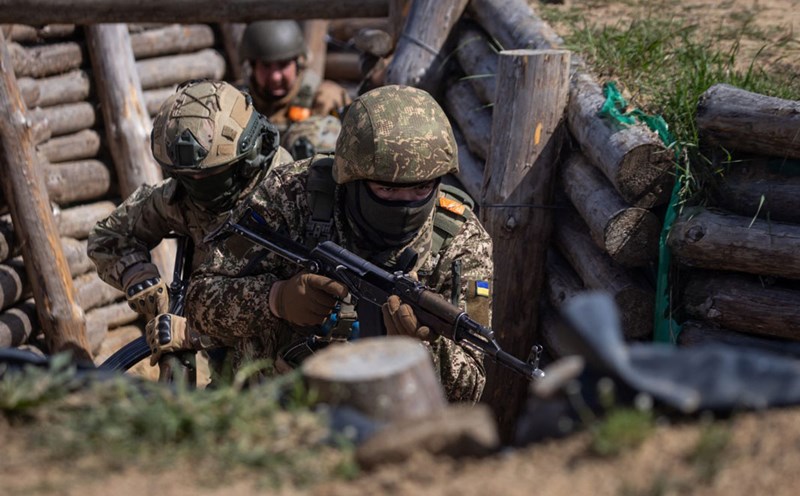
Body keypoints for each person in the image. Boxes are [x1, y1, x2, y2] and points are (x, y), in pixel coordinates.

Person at [152, 85, 493, 403]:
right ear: (352, 177)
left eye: (421, 189)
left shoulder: (462, 242)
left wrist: (423, 351)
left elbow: (469, 387)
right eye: (387, 190)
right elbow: (200, 301)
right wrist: (275, 299)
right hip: (277, 414)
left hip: (394, 424)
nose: (405, 202)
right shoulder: (291, 196)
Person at [87, 79, 293, 330]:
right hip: (219, 355)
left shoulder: (293, 195)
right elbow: (108, 235)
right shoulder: (179, 198)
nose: (198, 186)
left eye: (211, 176)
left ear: (249, 157)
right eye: (188, 177)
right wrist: (135, 274)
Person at [238, 20, 351, 159]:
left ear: (298, 63)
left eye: (283, 65)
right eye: (266, 66)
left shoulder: (327, 98)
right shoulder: (239, 102)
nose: (275, 77)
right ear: (253, 66)